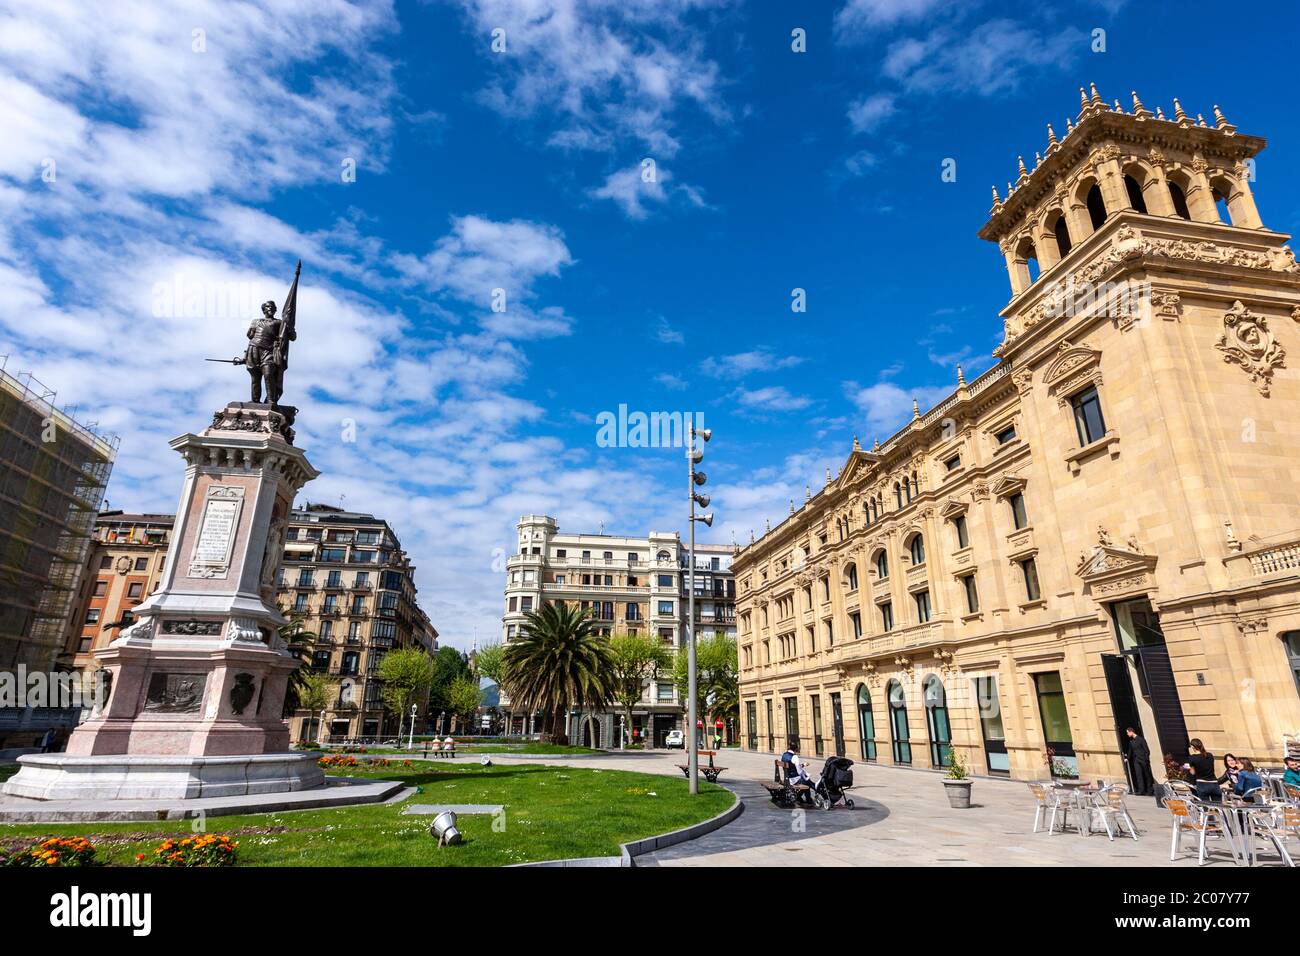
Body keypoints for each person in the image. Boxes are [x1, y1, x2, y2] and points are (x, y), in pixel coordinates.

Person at [1125, 727, 1154, 796]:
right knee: (1139, 775)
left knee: (1147, 775)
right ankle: (1141, 790)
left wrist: (1146, 759)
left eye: (1127, 732)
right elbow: (1130, 752)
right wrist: (1127, 758)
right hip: (1136, 761)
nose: (1127, 734)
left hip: (1143, 760)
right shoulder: (1131, 742)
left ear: (1131, 732)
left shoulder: (1141, 739)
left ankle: (1150, 790)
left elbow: (1147, 750)